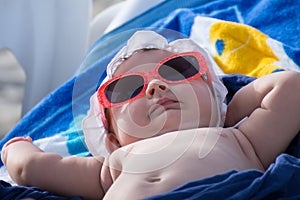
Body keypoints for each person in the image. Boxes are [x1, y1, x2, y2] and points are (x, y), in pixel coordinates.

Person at [1, 31, 300, 200]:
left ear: (217, 97)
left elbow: (290, 87)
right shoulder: (109, 168)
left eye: (178, 70)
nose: (156, 86)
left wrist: (228, 113)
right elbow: (33, 168)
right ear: (112, 139)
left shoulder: (242, 140)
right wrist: (16, 147)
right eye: (126, 88)